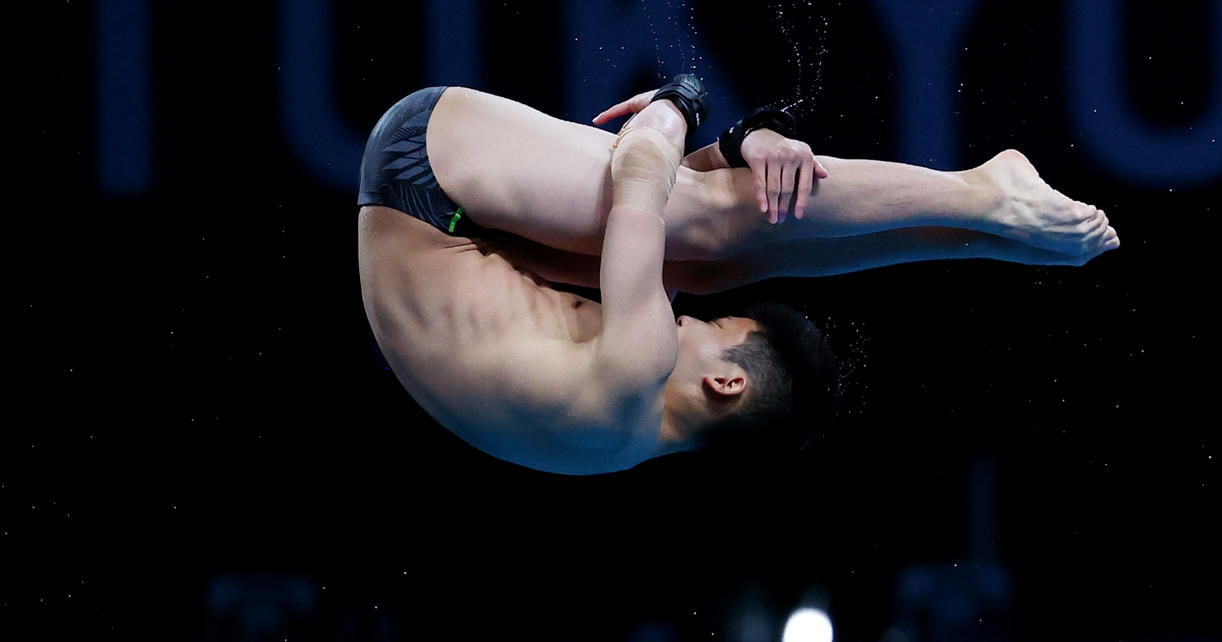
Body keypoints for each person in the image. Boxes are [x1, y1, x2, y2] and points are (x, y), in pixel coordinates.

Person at [357, 77, 1117, 475]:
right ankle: (969, 238)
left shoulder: (633, 370)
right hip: (447, 228)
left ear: (727, 383)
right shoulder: (618, 439)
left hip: (430, 164)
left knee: (706, 230)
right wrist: (742, 146)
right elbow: (674, 227)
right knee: (708, 259)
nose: (686, 319)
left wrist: (681, 102)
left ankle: (981, 193)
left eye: (709, 330)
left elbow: (643, 168)